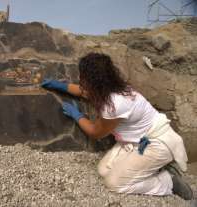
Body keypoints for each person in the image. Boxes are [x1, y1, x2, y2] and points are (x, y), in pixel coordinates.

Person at [41, 52, 193, 200]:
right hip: (135, 141)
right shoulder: (111, 87)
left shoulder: (114, 104)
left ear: (93, 81)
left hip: (157, 143)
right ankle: (150, 168)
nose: (80, 78)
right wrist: (59, 86)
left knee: (114, 183)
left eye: (82, 76)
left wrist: (77, 115)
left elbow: (95, 132)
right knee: (103, 170)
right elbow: (84, 92)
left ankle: (168, 181)